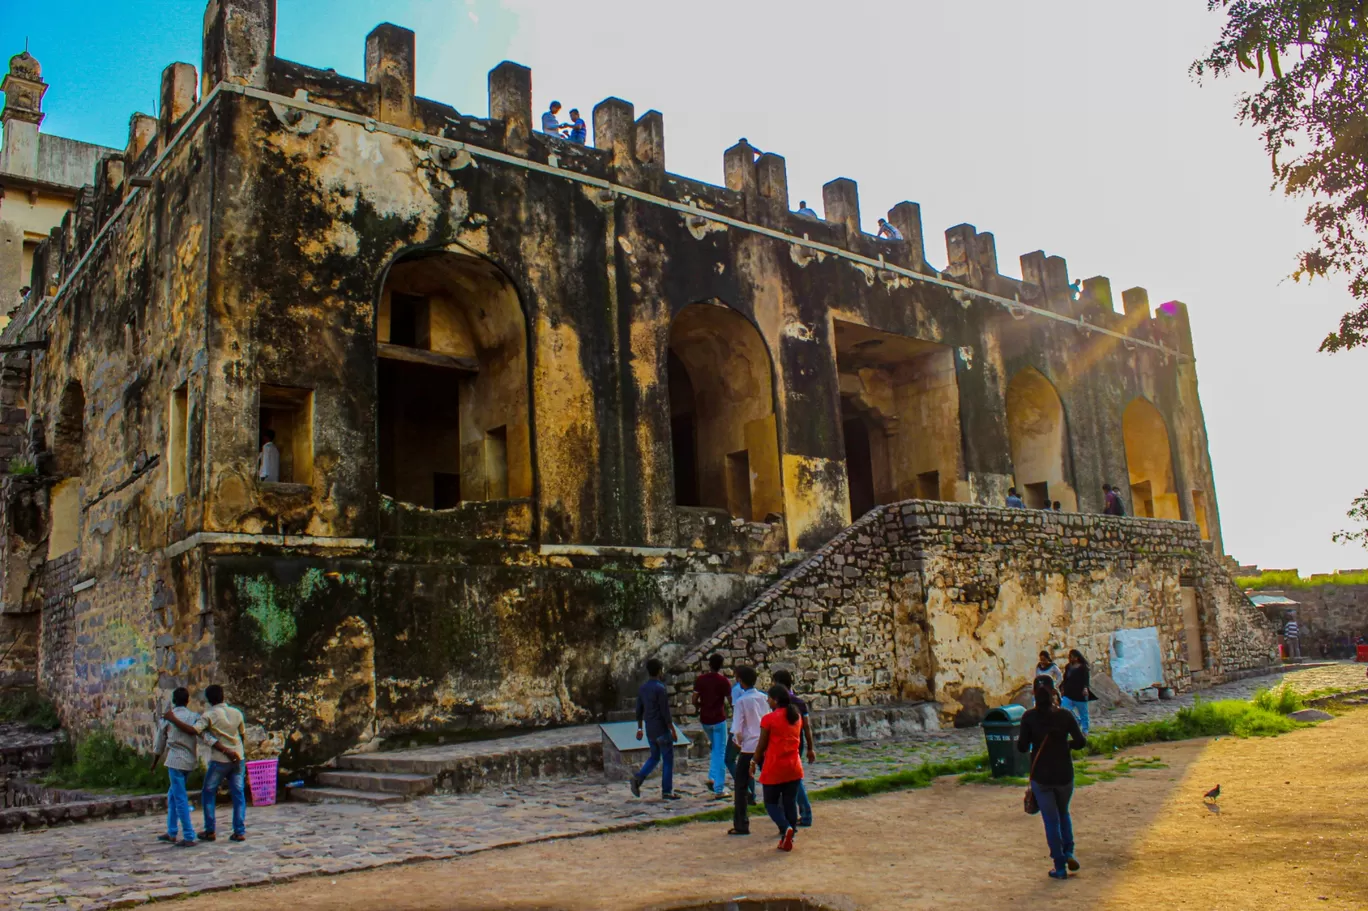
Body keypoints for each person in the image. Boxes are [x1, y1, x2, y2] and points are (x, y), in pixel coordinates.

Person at [1018, 677, 1087, 879]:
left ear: (1034, 694)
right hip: (1064, 773)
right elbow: (1081, 741)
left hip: (1042, 775)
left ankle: (1059, 865)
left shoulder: (1029, 717)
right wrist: (1067, 746)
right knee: (1063, 813)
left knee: (1051, 820)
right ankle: (1069, 852)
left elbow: (1022, 747)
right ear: (1054, 692)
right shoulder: (1064, 715)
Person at [166, 683, 247, 842]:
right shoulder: (236, 713)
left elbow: (192, 730)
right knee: (238, 794)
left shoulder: (209, 715)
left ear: (209, 700)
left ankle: (210, 830)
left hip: (220, 760)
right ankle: (239, 831)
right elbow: (242, 735)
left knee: (208, 793)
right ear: (223, 696)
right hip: (238, 757)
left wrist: (172, 719)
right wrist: (237, 751)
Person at [152, 687, 211, 847]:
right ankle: (171, 831)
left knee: (179, 798)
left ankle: (188, 834)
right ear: (187, 701)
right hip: (190, 760)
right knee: (172, 795)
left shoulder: (168, 719)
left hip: (175, 760)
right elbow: (204, 735)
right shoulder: (193, 717)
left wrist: (154, 763)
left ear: (173, 700)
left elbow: (159, 744)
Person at [752, 685, 804, 852]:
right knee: (790, 802)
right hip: (794, 766)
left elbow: (762, 745)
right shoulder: (796, 716)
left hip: (774, 766)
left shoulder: (769, 719)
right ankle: (789, 835)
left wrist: (754, 761)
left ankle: (785, 827)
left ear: (775, 700)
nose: (767, 700)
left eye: (769, 698)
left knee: (771, 803)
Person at [630, 658, 681, 800]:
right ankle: (667, 790)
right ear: (660, 671)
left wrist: (640, 728)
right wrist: (672, 730)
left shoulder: (643, 688)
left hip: (650, 728)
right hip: (661, 729)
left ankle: (639, 778)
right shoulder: (660, 688)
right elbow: (665, 712)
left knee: (654, 757)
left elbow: (639, 710)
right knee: (668, 759)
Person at [772, 669, 816, 827]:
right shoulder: (799, 702)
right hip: (798, 742)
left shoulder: (779, 703)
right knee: (792, 779)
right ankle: (799, 813)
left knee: (791, 780)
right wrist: (810, 747)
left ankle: (803, 813)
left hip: (785, 744)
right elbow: (807, 728)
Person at [728, 665, 767, 835]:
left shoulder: (741, 701)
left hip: (748, 747)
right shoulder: (764, 698)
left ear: (740, 681)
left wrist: (738, 741)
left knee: (741, 785)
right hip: (764, 744)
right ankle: (783, 818)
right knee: (772, 781)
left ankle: (741, 823)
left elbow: (737, 728)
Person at [692, 653, 731, 799]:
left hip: (705, 719)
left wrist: (701, 706)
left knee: (716, 748)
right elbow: (730, 700)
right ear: (721, 666)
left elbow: (694, 699)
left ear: (709, 665)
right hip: (718, 718)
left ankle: (712, 776)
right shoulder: (724, 681)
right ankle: (719, 787)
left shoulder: (701, 680)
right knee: (720, 751)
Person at [1059, 649, 1095, 735]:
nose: (1070, 658)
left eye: (1071, 657)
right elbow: (1065, 679)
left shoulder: (1083, 667)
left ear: (1076, 657)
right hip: (1069, 693)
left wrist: (1085, 688)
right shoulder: (1068, 667)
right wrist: (1063, 688)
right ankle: (1077, 721)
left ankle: (1085, 730)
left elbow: (1086, 680)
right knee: (1064, 709)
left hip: (1079, 694)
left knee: (1083, 713)